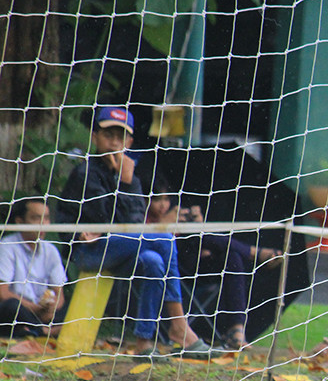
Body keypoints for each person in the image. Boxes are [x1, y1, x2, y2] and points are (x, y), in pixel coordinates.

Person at [58, 106, 215, 358]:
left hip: (121, 248)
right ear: (95, 136)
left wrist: (128, 182)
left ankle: (144, 342)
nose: (114, 143)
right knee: (164, 239)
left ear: (129, 142)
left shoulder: (130, 177)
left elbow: (134, 223)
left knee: (154, 261)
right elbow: (106, 217)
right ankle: (179, 324)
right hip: (88, 251)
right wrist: (125, 183)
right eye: (108, 135)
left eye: (121, 137)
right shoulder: (85, 173)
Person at [145, 190, 282, 349]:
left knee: (232, 256)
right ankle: (254, 252)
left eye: (167, 199)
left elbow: (201, 252)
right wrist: (163, 224)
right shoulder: (141, 216)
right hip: (166, 269)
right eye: (157, 200)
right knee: (197, 236)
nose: (163, 205)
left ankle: (236, 329)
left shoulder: (176, 217)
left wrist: (198, 225)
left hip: (195, 265)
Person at [0, 197, 68, 338]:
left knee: (72, 308)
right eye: (36, 218)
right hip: (20, 309)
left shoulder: (51, 250)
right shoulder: (6, 246)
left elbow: (59, 293)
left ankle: (35, 331)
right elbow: (3, 293)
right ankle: (43, 332)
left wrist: (52, 308)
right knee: (10, 306)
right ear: (20, 222)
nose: (43, 224)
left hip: (43, 313)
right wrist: (35, 309)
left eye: (47, 218)